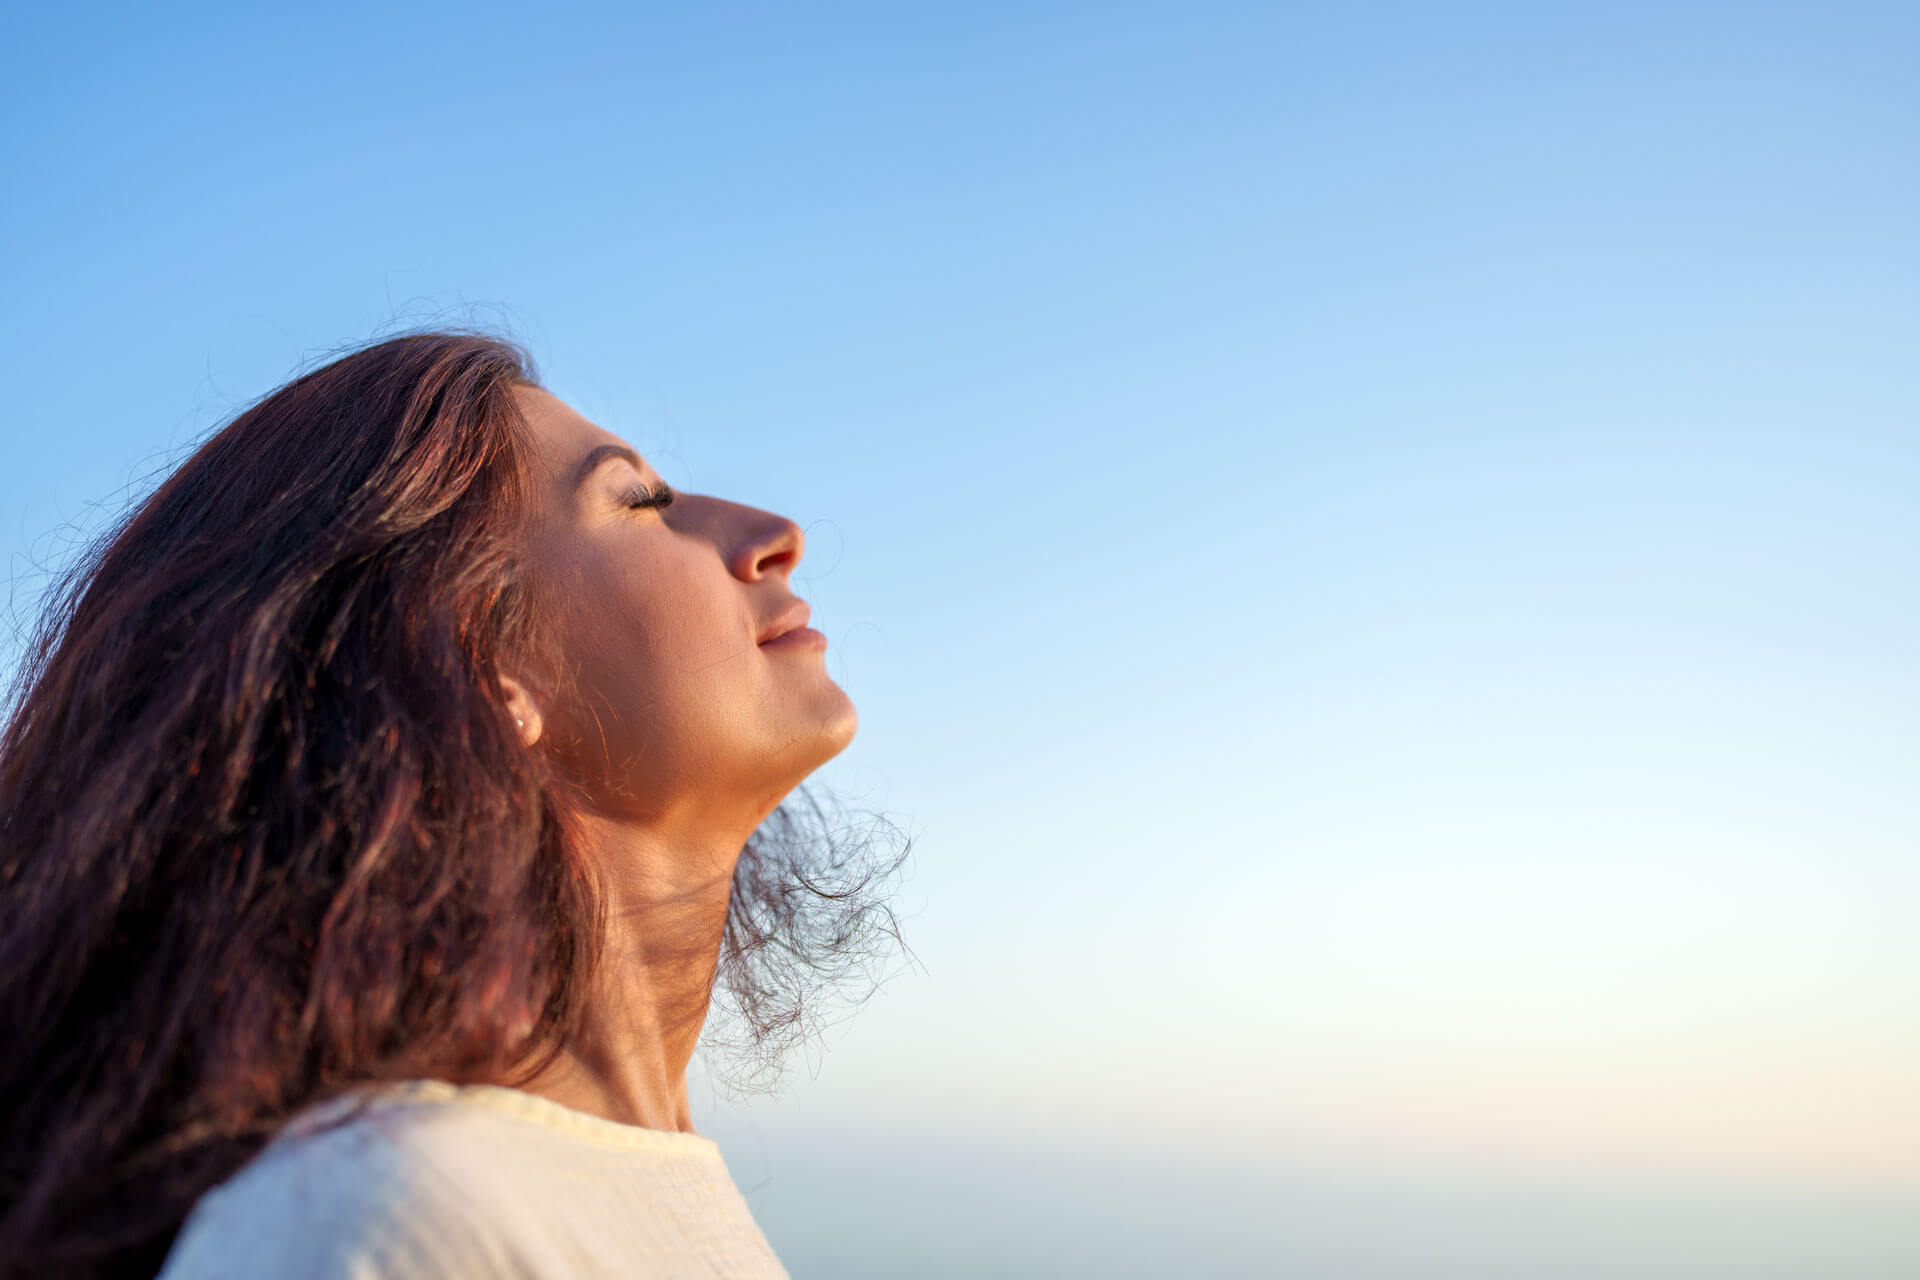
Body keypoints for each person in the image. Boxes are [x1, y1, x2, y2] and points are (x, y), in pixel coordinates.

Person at [0, 331, 908, 1278]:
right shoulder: (384, 1218)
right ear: (476, 661)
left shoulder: (599, 1188)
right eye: (640, 501)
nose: (774, 535)